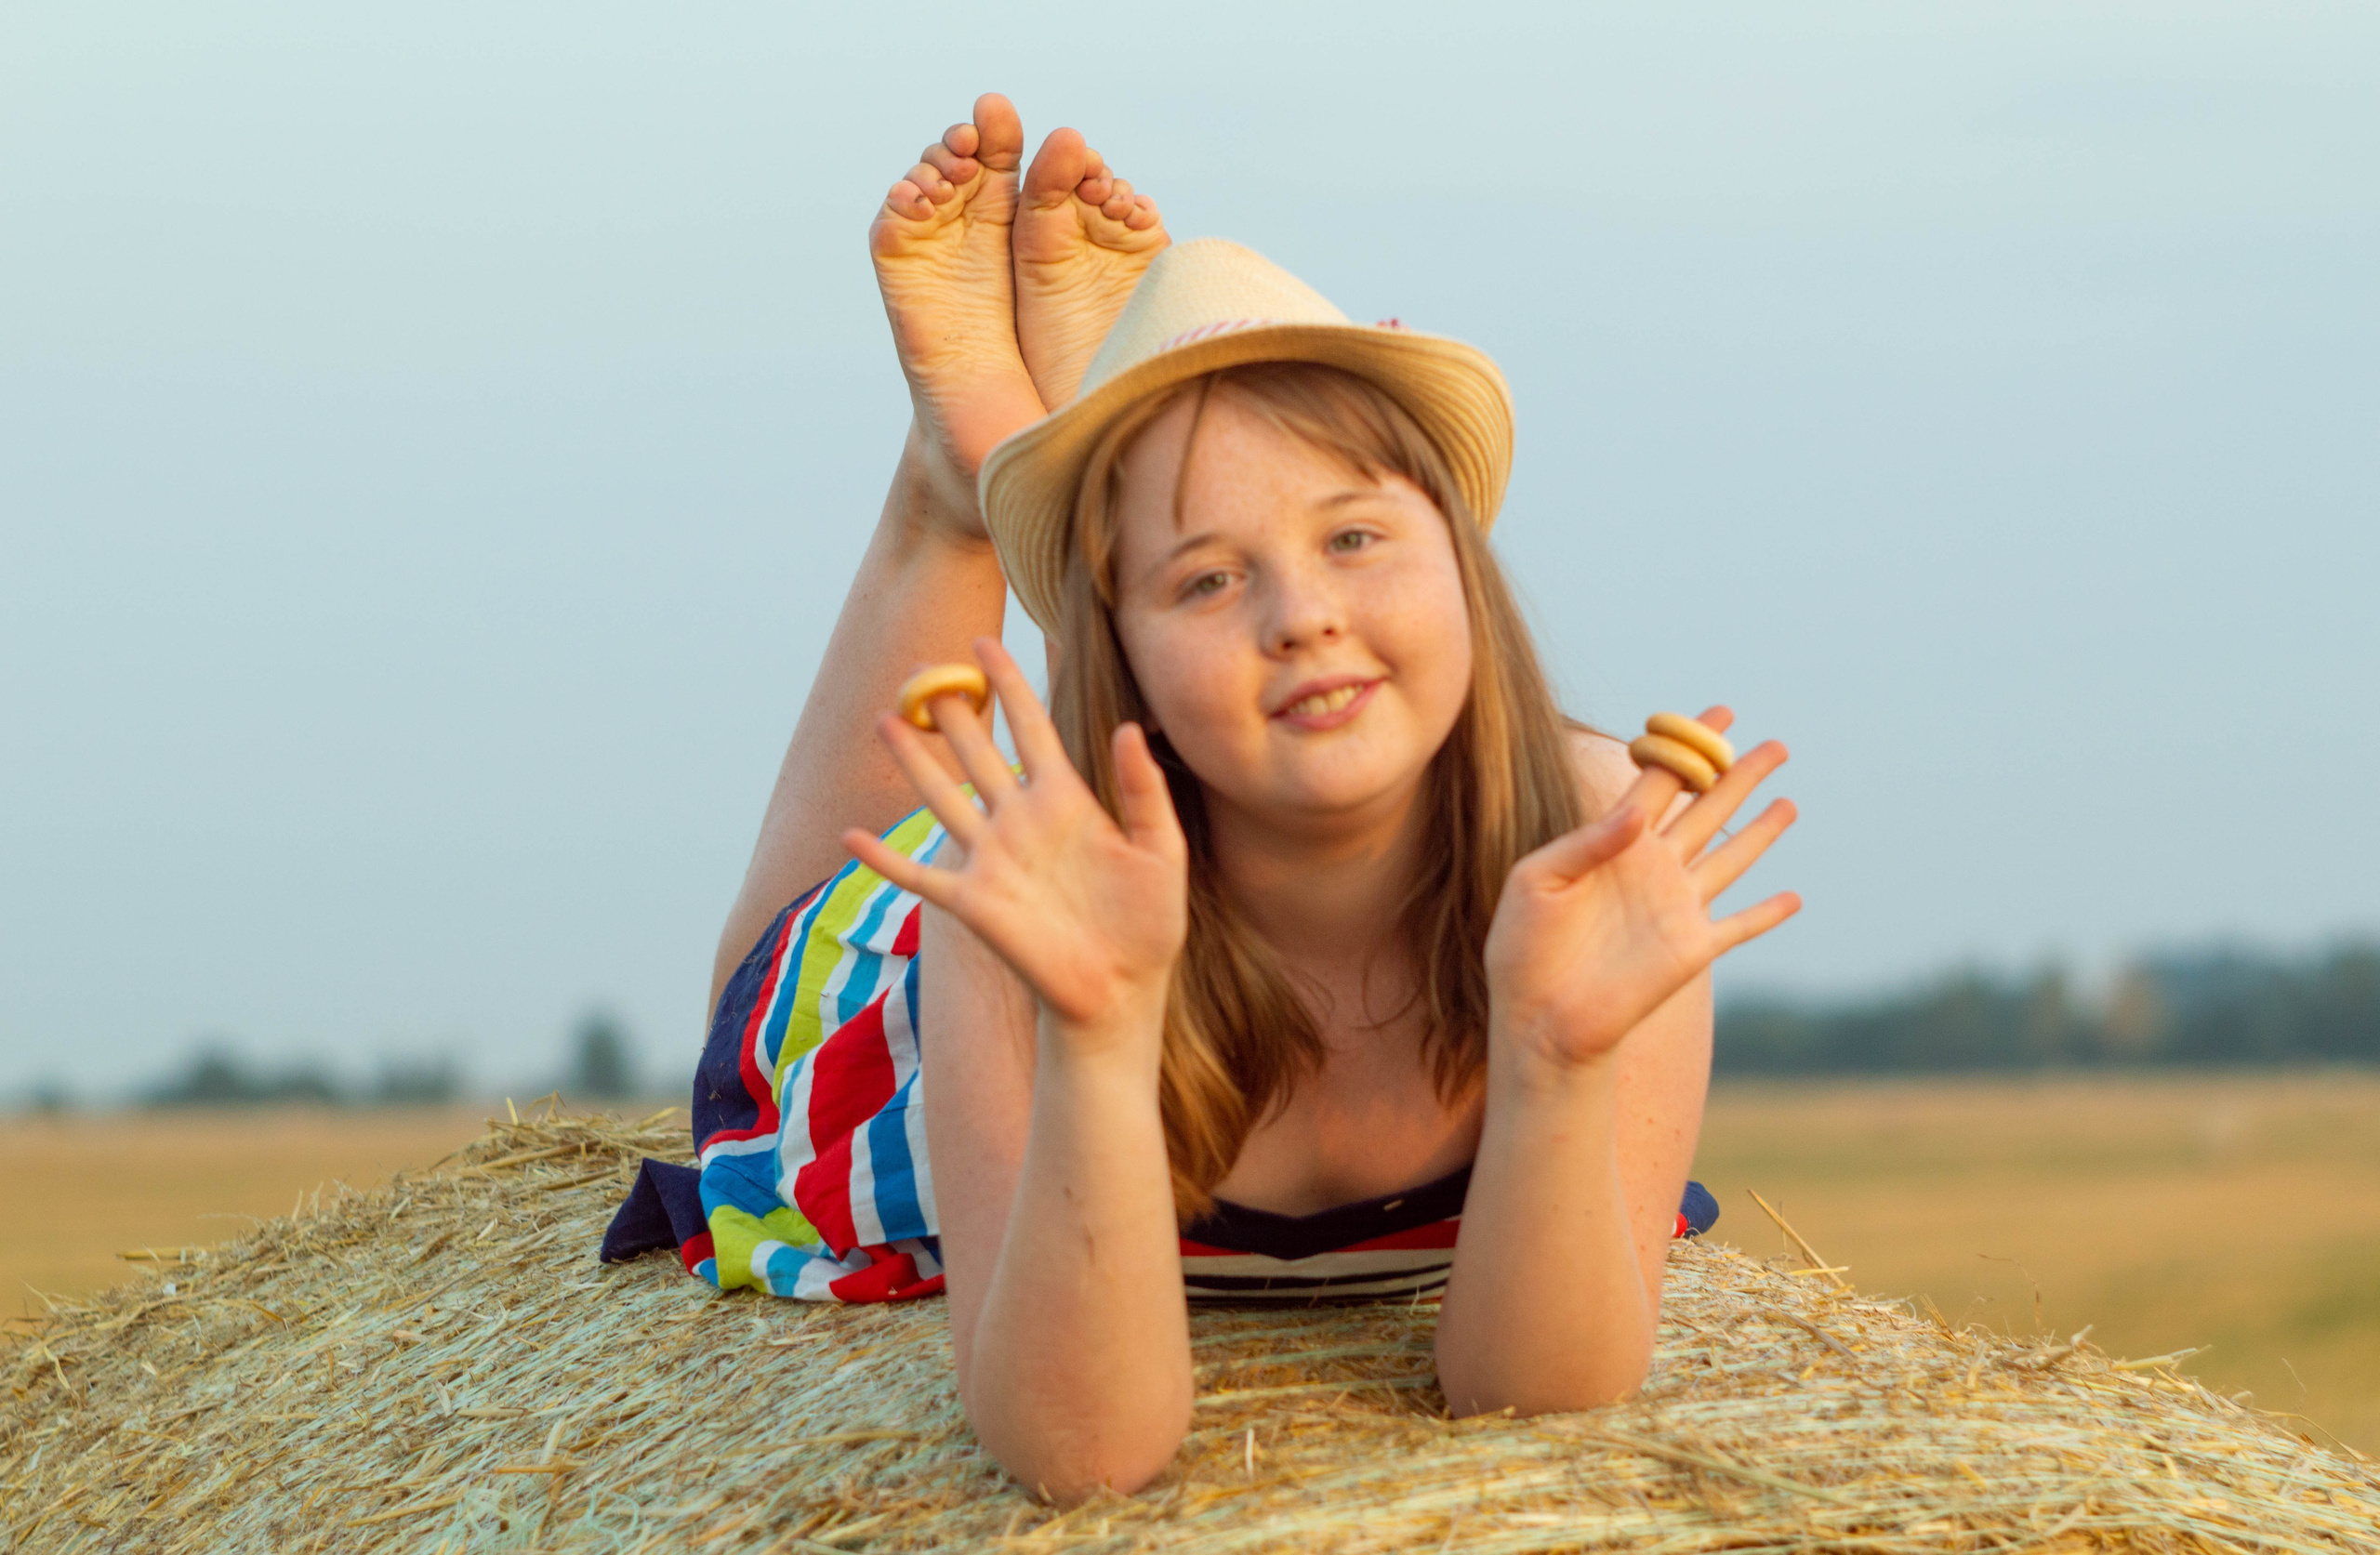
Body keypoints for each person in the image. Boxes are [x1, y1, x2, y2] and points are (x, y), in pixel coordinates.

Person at [602, 93, 1799, 1499]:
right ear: (1117, 653)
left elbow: (1528, 1397)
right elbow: (1084, 1458)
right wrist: (1100, 1039)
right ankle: (961, 481)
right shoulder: (1014, 912)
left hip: (1144, 798)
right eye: (1210, 577)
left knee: (1114, 734)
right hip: (1029, 913)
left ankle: (1094, 446)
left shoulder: (1600, 854)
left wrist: (1557, 1052)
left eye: (1354, 535)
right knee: (800, 969)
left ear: (1464, 561)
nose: (1303, 616)